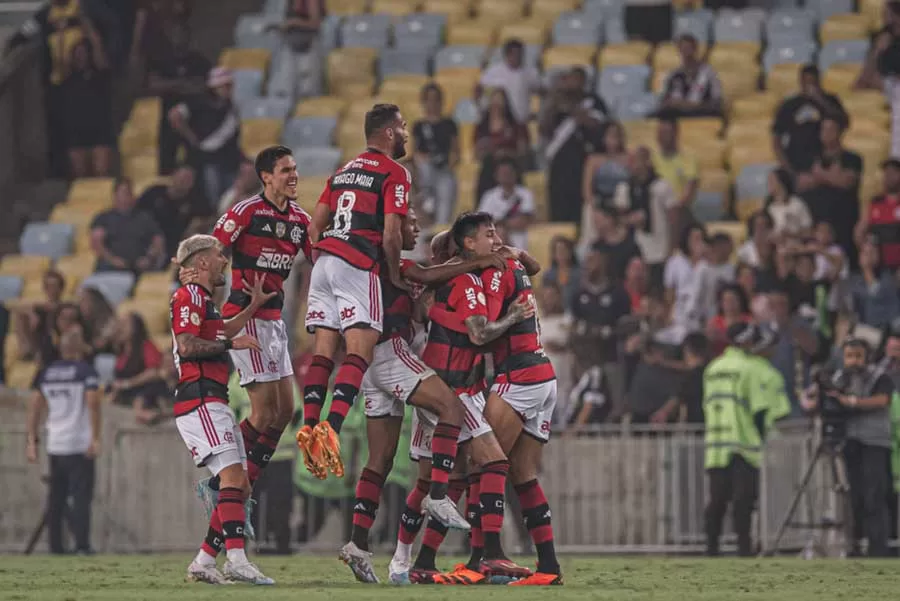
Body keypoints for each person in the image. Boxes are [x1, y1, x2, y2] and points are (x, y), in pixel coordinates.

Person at [340, 209, 507, 582]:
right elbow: (426, 280)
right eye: (411, 224)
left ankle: (363, 544)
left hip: (386, 369)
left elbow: (423, 296)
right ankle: (450, 520)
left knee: (380, 460)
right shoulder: (395, 262)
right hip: (399, 360)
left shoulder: (426, 281)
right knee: (456, 424)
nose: (416, 230)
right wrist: (476, 264)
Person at [397, 215, 536, 585]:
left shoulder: (438, 287)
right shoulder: (467, 282)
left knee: (444, 481)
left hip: (436, 386)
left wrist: (512, 252)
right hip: (453, 392)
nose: (495, 241)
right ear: (463, 250)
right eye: (488, 236)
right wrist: (513, 316)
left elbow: (428, 309)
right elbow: (478, 335)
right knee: (492, 461)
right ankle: (491, 555)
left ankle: (418, 561)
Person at [204, 146, 312, 517]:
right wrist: (209, 302)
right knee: (263, 412)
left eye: (295, 169)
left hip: (274, 322)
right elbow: (216, 252)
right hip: (245, 315)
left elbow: (320, 260)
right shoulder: (246, 212)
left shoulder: (300, 219)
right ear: (266, 176)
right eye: (286, 170)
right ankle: (224, 480)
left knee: (283, 412)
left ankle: (241, 480)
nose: (293, 175)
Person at [170, 234, 275, 585]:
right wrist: (230, 344)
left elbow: (221, 330)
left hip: (212, 399)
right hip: (199, 398)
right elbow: (186, 346)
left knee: (238, 486)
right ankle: (236, 558)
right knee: (233, 481)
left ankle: (203, 561)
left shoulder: (204, 300)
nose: (224, 261)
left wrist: (252, 307)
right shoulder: (188, 295)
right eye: (218, 255)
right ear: (201, 263)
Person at [478, 216, 564, 585]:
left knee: (484, 461)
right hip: (544, 376)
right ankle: (548, 568)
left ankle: (484, 557)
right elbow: (535, 266)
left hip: (520, 377)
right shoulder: (514, 263)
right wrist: (518, 252)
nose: (495, 239)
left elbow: (484, 329)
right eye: (489, 234)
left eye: (495, 233)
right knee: (522, 475)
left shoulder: (495, 272)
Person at [801, 338, 895, 557]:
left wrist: (850, 402)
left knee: (874, 496)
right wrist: (816, 397)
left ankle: (878, 549)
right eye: (849, 356)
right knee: (856, 497)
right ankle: (855, 546)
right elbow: (820, 401)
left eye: (858, 356)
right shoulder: (838, 378)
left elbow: (882, 400)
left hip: (874, 441)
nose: (853, 361)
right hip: (850, 440)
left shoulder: (879, 377)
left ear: (867, 357)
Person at [703, 323, 791, 556]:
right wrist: (761, 438)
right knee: (743, 504)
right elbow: (760, 409)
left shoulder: (713, 367)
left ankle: (710, 550)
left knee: (717, 502)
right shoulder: (750, 368)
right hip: (744, 445)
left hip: (716, 446)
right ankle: (744, 550)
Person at [25, 328, 101, 555]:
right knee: (80, 497)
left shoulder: (46, 373)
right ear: (79, 347)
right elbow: (93, 403)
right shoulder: (85, 372)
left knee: (56, 498)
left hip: (55, 443)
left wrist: (32, 440)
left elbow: (34, 407)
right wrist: (95, 438)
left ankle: (55, 546)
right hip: (78, 443)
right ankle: (81, 545)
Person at [542, 66, 608, 223]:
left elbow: (597, 124)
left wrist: (573, 110)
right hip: (559, 162)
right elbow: (545, 129)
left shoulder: (593, 101)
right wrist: (554, 102)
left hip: (582, 162)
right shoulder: (557, 102)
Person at [169, 66, 243, 202]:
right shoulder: (198, 102)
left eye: (229, 85)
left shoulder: (231, 107)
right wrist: (191, 137)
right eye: (224, 86)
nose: (228, 89)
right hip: (207, 160)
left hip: (230, 161)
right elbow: (175, 115)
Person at [796, 115, 862, 269]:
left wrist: (819, 176)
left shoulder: (852, 158)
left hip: (843, 219)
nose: (827, 133)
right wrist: (832, 177)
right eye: (824, 129)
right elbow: (801, 183)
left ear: (840, 132)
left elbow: (847, 182)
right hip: (815, 219)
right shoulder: (811, 157)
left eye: (831, 129)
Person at [146, 22, 211, 175]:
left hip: (193, 121)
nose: (178, 38)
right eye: (175, 34)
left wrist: (172, 86)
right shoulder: (162, 60)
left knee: (195, 164)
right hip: (167, 121)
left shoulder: (199, 61)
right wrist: (182, 84)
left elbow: (205, 86)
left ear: (189, 37)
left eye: (182, 34)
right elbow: (153, 85)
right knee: (166, 166)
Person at [616, 146, 677, 287]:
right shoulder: (624, 188)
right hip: (634, 247)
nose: (633, 165)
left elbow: (674, 218)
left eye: (637, 161)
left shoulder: (662, 186)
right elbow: (619, 218)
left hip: (659, 247)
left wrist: (671, 247)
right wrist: (630, 219)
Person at [772, 64, 847, 174]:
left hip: (824, 158)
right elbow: (776, 138)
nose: (809, 86)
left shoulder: (830, 100)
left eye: (812, 82)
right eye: (805, 82)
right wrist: (787, 167)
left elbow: (842, 121)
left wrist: (820, 99)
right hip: (796, 158)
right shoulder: (789, 105)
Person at [60, 31, 113, 177]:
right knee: (80, 176)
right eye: (77, 53)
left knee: (101, 173)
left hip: (99, 129)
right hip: (76, 131)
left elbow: (100, 54)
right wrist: (61, 34)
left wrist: (89, 29)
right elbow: (60, 60)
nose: (80, 56)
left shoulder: (100, 76)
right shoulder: (68, 79)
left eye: (83, 53)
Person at [90, 177, 166, 273]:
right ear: (114, 195)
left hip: (139, 268)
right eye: (123, 192)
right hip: (109, 268)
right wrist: (113, 260)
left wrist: (149, 258)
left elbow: (158, 239)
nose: (127, 196)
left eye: (129, 192)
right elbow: (96, 242)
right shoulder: (103, 217)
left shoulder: (144, 217)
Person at [137, 165, 210, 258]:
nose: (183, 181)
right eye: (182, 177)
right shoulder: (154, 192)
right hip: (146, 241)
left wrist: (197, 225)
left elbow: (211, 218)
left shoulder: (195, 201)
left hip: (175, 247)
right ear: (173, 176)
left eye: (188, 179)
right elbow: (136, 214)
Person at [109, 312, 169, 425]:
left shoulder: (146, 346)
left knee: (150, 386)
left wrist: (129, 383)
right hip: (127, 389)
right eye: (120, 324)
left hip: (144, 387)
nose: (121, 327)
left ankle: (143, 412)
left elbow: (153, 372)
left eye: (125, 324)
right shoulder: (121, 351)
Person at [412, 83, 459, 225]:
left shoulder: (449, 124)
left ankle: (441, 225)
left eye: (435, 99)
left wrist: (448, 166)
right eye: (428, 99)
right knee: (424, 168)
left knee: (446, 183)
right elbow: (414, 153)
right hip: (425, 171)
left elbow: (456, 152)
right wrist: (424, 160)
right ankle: (427, 204)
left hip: (443, 170)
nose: (432, 103)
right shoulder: (419, 126)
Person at [473, 88, 530, 199]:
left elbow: (523, 150)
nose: (497, 105)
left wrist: (507, 153)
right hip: (489, 167)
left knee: (508, 167)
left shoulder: (516, 126)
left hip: (511, 164)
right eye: (494, 101)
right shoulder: (481, 127)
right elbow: (477, 153)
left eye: (500, 101)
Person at [477, 38, 541, 125]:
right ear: (507, 55)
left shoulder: (530, 73)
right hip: (501, 123)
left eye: (520, 54)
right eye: (515, 54)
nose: (518, 57)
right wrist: (481, 109)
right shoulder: (493, 72)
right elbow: (480, 90)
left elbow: (540, 90)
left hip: (522, 122)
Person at [650, 332, 709, 424]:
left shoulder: (691, 377)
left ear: (687, 350)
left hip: (696, 427)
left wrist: (663, 412)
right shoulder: (713, 372)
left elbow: (678, 396)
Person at [659, 34, 723, 118]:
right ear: (679, 50)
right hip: (677, 115)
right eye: (683, 49)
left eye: (689, 48)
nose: (686, 52)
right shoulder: (673, 75)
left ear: (695, 49)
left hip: (701, 115)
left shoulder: (709, 73)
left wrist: (693, 105)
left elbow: (716, 102)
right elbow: (663, 101)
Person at [478, 158, 535, 250]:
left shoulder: (525, 194)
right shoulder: (489, 196)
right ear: (496, 176)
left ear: (515, 174)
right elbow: (482, 224)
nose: (506, 175)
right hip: (493, 247)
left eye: (509, 172)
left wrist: (499, 224)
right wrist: (505, 225)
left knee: (500, 231)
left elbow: (523, 221)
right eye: (503, 173)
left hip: (519, 245)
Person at [854, 158, 900, 272]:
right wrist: (866, 251)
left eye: (893, 172)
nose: (889, 176)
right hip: (880, 266)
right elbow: (859, 231)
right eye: (886, 173)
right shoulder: (874, 203)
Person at [664, 223, 708, 334]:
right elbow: (670, 291)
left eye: (700, 239)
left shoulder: (707, 263)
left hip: (703, 310)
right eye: (695, 239)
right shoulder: (675, 261)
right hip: (681, 309)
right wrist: (669, 313)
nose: (698, 242)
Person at [766, 167, 813, 239]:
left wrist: (792, 234)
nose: (768, 184)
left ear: (781, 182)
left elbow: (808, 231)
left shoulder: (797, 204)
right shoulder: (769, 207)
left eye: (771, 180)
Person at [542, 236, 581, 311]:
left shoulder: (579, 274)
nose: (561, 254)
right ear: (553, 254)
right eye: (558, 251)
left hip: (575, 312)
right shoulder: (548, 275)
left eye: (564, 250)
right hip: (554, 314)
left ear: (570, 252)